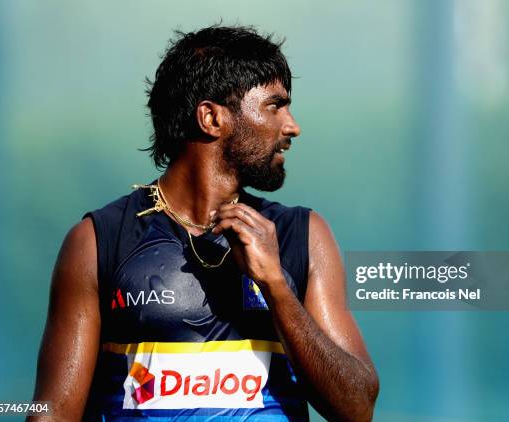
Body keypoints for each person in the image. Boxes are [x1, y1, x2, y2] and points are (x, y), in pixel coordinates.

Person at [30, 25, 379, 421]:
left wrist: (277, 288)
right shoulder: (98, 240)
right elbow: (51, 414)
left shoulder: (304, 234)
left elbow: (357, 407)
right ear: (211, 118)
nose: (291, 125)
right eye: (274, 106)